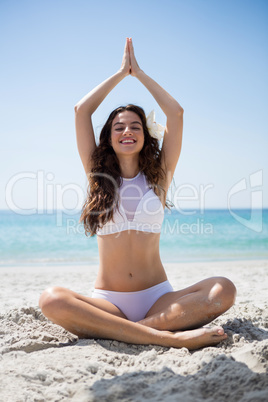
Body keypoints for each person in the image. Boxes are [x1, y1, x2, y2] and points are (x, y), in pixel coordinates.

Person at [39, 38, 236, 350]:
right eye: (119, 127)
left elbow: (177, 113)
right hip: (109, 302)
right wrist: (121, 73)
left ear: (146, 136)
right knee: (50, 298)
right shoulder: (97, 177)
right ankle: (162, 337)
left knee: (223, 289)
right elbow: (81, 111)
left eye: (135, 126)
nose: (127, 131)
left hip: (158, 299)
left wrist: (139, 73)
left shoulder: (159, 176)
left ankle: (130, 331)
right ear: (109, 137)